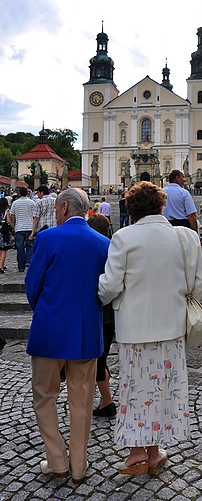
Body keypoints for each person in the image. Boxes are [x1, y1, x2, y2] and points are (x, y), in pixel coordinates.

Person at [98, 181, 202, 476]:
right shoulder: (185, 237)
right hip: (172, 327)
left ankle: (138, 454)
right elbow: (200, 283)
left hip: (134, 327)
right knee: (164, 390)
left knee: (135, 388)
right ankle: (154, 452)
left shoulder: (123, 237)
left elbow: (108, 288)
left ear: (131, 208)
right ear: (162, 206)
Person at [25, 188, 110, 484]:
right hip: (86, 333)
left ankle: (57, 460)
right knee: (83, 401)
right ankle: (78, 466)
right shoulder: (103, 243)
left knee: (44, 397)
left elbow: (32, 287)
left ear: (62, 208)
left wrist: (47, 311)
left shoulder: (48, 239)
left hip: (50, 329)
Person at [87, 213, 116, 418]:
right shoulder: (112, 249)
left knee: (97, 358)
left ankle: (108, 401)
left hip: (100, 311)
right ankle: (106, 401)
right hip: (109, 313)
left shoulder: (93, 249)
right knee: (99, 357)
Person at [9, 187, 35, 272]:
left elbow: (12, 215)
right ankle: (28, 260)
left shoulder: (15, 203)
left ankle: (21, 267)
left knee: (20, 248)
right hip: (29, 226)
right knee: (30, 245)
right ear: (27, 192)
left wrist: (13, 226)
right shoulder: (32, 202)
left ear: (19, 193)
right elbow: (35, 215)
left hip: (19, 228)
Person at [0, 197, 14, 273]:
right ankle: (1, 266)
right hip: (4, 232)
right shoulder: (6, 212)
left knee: (0, 249)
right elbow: (9, 221)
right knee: (4, 249)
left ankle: (3, 263)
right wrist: (13, 227)